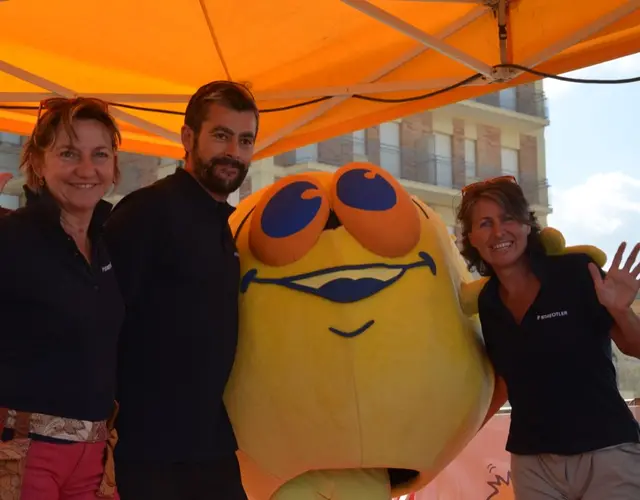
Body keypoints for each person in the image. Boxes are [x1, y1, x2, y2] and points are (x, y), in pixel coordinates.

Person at [103, 81, 257, 500]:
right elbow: (102, 323)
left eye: (245, 140)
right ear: (188, 138)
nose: (234, 152)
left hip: (210, 444)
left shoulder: (227, 225)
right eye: (221, 135)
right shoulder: (146, 212)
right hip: (149, 453)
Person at [456, 175, 640, 500]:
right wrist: (455, 439)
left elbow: (633, 346)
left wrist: (622, 311)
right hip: (533, 464)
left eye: (508, 218)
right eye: (485, 223)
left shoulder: (576, 273)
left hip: (607, 452)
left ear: (527, 224)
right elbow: (504, 382)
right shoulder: (488, 302)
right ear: (471, 237)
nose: (498, 232)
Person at [0, 97, 123, 499]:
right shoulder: (12, 238)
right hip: (24, 453)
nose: (86, 169)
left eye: (99, 154)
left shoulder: (106, 243)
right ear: (37, 161)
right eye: (69, 153)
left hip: (94, 458)